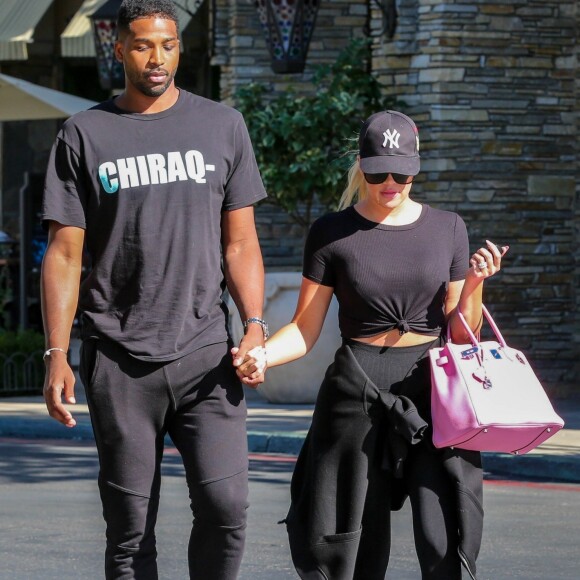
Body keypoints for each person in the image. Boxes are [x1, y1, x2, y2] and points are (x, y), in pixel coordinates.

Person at [40, 1, 268, 578]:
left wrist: (256, 326)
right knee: (129, 531)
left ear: (180, 48)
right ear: (118, 48)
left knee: (226, 508)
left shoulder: (222, 125)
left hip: (206, 354)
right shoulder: (84, 134)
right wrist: (57, 353)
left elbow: (240, 244)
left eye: (167, 44)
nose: (156, 57)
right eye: (143, 45)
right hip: (119, 361)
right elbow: (65, 255)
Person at [235, 110, 508, 580]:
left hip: (431, 388)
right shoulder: (331, 233)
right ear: (360, 166)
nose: (390, 182)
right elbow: (304, 327)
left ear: (415, 170)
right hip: (356, 385)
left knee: (443, 534)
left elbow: (462, 334)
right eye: (378, 171)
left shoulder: (448, 229)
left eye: (401, 173)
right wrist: (261, 355)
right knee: (348, 541)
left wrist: (476, 282)